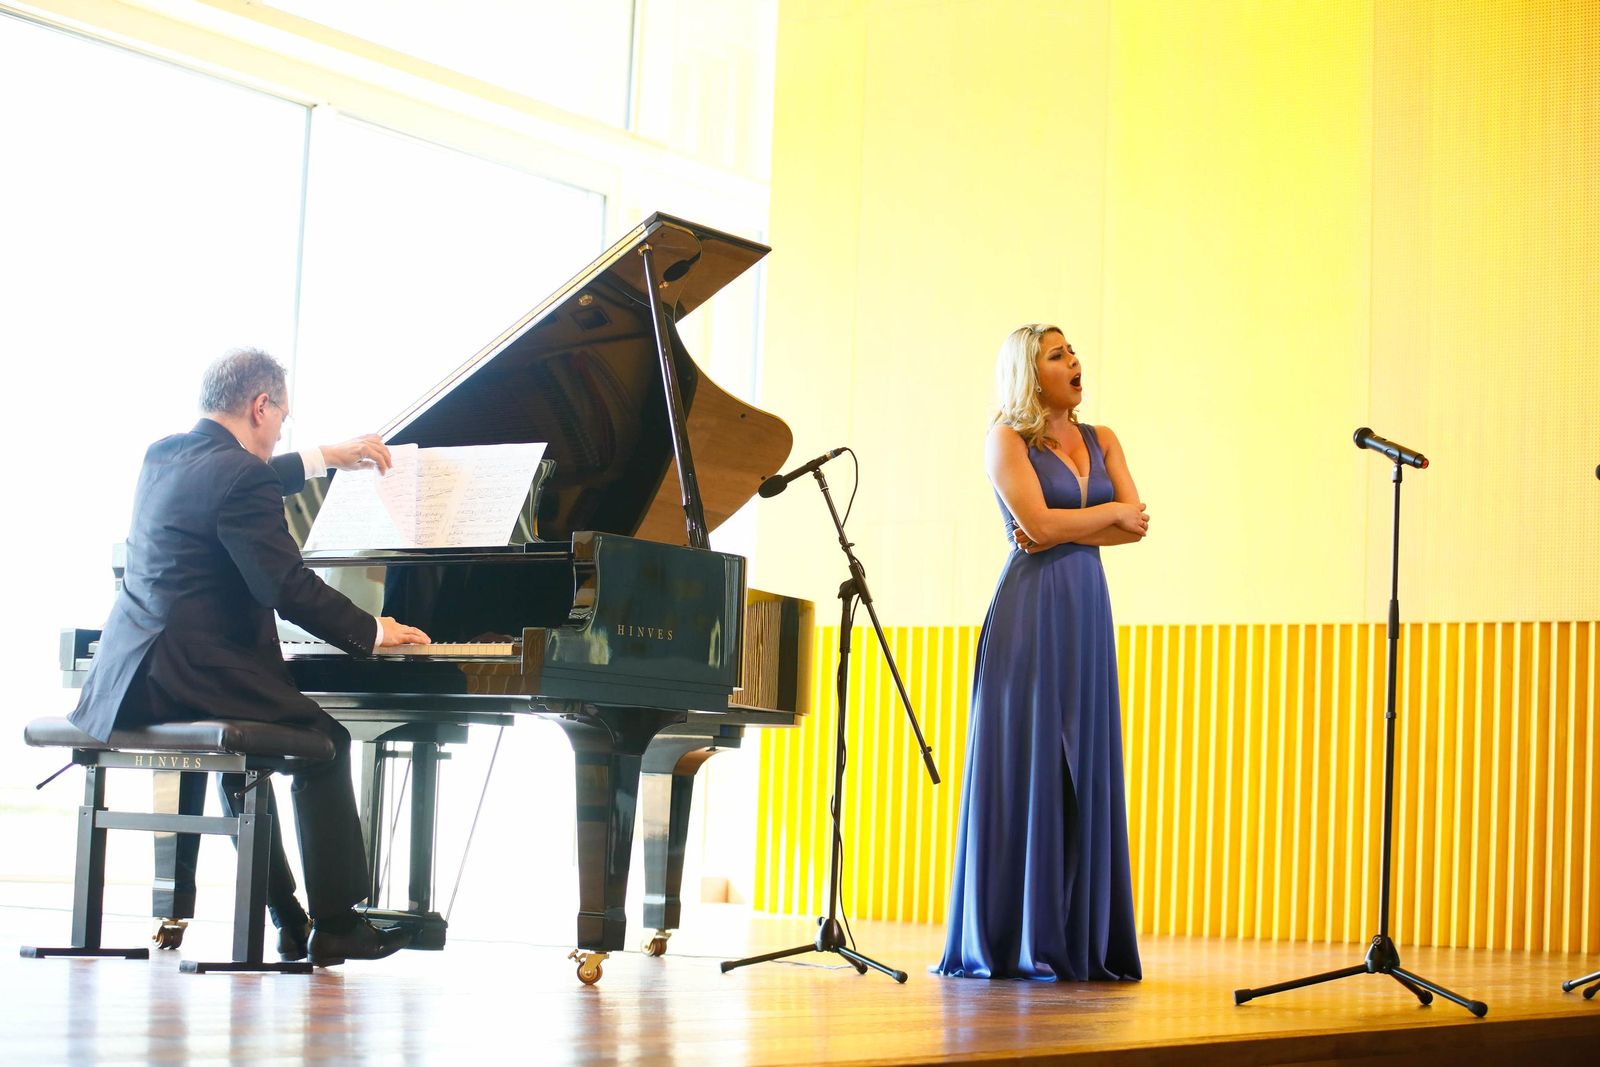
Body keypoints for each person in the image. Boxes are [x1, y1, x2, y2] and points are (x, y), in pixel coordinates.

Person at [69, 347, 432, 966]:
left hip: (137, 674)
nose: (282, 429)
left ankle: (290, 919)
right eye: (282, 418)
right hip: (196, 672)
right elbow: (285, 587)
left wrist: (325, 458)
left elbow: (237, 478)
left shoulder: (163, 456)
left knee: (247, 757)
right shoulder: (243, 477)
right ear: (261, 406)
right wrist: (371, 629)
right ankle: (339, 924)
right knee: (325, 741)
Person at [935, 323, 1148, 982]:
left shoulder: (1102, 438)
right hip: (1027, 614)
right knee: (1025, 767)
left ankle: (1081, 937)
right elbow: (1044, 524)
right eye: (1058, 354)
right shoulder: (1005, 439)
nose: (1075, 360)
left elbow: (1133, 523)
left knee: (1087, 764)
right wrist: (1088, 518)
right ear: (1030, 372)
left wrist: (1062, 527)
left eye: (1072, 350)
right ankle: (1012, 938)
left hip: (1087, 609)